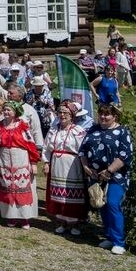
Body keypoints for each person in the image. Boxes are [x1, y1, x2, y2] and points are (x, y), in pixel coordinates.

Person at [78, 103, 134, 256]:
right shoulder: (93, 129)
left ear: (114, 116)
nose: (103, 117)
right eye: (101, 114)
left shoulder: (122, 132)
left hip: (116, 175)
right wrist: (86, 167)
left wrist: (109, 171)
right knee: (101, 204)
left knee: (112, 204)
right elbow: (82, 150)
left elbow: (125, 155)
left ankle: (119, 242)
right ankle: (109, 236)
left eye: (107, 114)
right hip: (95, 175)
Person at [43, 101, 88, 235]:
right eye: (60, 112)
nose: (62, 115)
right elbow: (46, 148)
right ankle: (62, 221)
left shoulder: (78, 131)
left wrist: (84, 166)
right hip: (56, 164)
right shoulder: (53, 129)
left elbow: (83, 150)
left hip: (72, 165)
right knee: (59, 193)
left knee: (72, 193)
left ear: (72, 115)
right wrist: (46, 163)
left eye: (65, 113)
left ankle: (75, 224)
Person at [0, 102, 40, 229]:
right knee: (7, 185)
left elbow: (31, 144)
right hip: (4, 158)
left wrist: (33, 162)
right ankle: (11, 216)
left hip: (20, 158)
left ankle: (24, 217)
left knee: (22, 185)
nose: (6, 112)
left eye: (8, 110)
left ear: (15, 112)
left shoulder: (23, 126)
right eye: (4, 110)